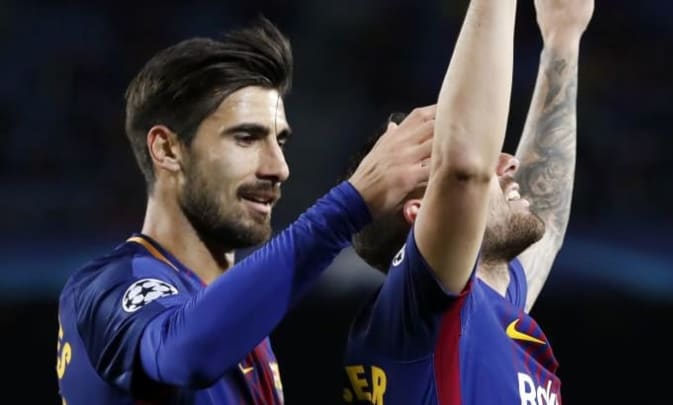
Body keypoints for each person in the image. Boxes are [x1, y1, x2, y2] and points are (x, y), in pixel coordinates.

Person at [55, 17, 436, 404]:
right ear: (167, 149)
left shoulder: (240, 324)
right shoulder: (108, 285)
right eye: (247, 137)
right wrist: (350, 205)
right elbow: (185, 354)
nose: (279, 168)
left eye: (280, 141)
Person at [341, 0, 594, 403]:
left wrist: (562, 38)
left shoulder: (484, 309)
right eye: (487, 158)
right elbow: (464, 167)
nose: (509, 164)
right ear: (420, 214)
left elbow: (546, 217)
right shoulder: (420, 312)